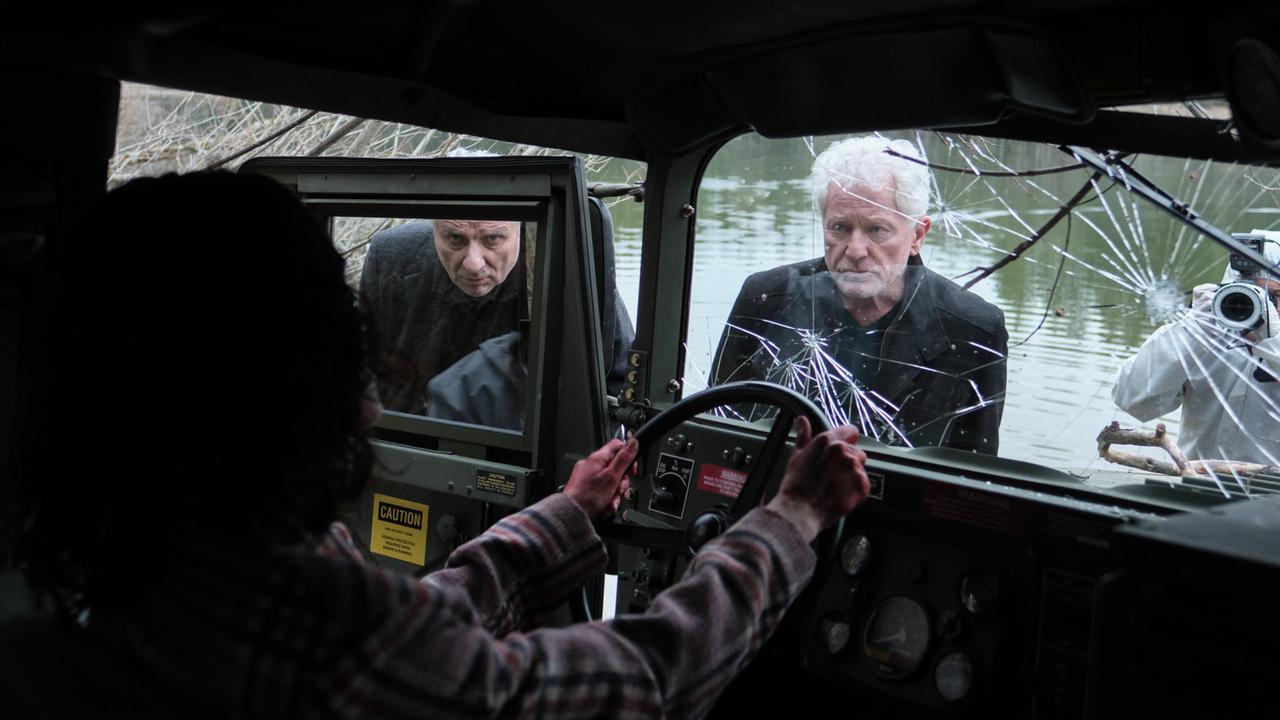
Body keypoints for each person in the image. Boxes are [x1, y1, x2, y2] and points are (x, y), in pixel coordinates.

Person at [12, 171, 871, 718]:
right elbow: (646, 680)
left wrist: (566, 517)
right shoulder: (337, 634)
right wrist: (791, 519)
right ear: (289, 393)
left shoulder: (110, 560)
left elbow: (432, 631)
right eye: (346, 356)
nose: (372, 410)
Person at [712, 136, 1008, 454]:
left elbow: (972, 476)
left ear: (917, 235)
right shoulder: (765, 298)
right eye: (839, 227)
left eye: (876, 229)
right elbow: (716, 430)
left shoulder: (973, 328)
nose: (855, 250)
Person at [361, 215, 634, 416]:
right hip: (413, 449)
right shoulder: (391, 255)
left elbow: (619, 377)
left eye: (492, 239)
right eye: (455, 239)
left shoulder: (566, 263)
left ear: (519, 228)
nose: (474, 263)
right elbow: (366, 366)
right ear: (435, 228)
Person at [1113, 231, 1280, 465]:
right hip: (1194, 489)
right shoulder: (1203, 337)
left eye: (1276, 295)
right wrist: (1192, 331)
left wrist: (1272, 340)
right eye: (1252, 292)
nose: (1264, 305)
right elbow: (1130, 399)